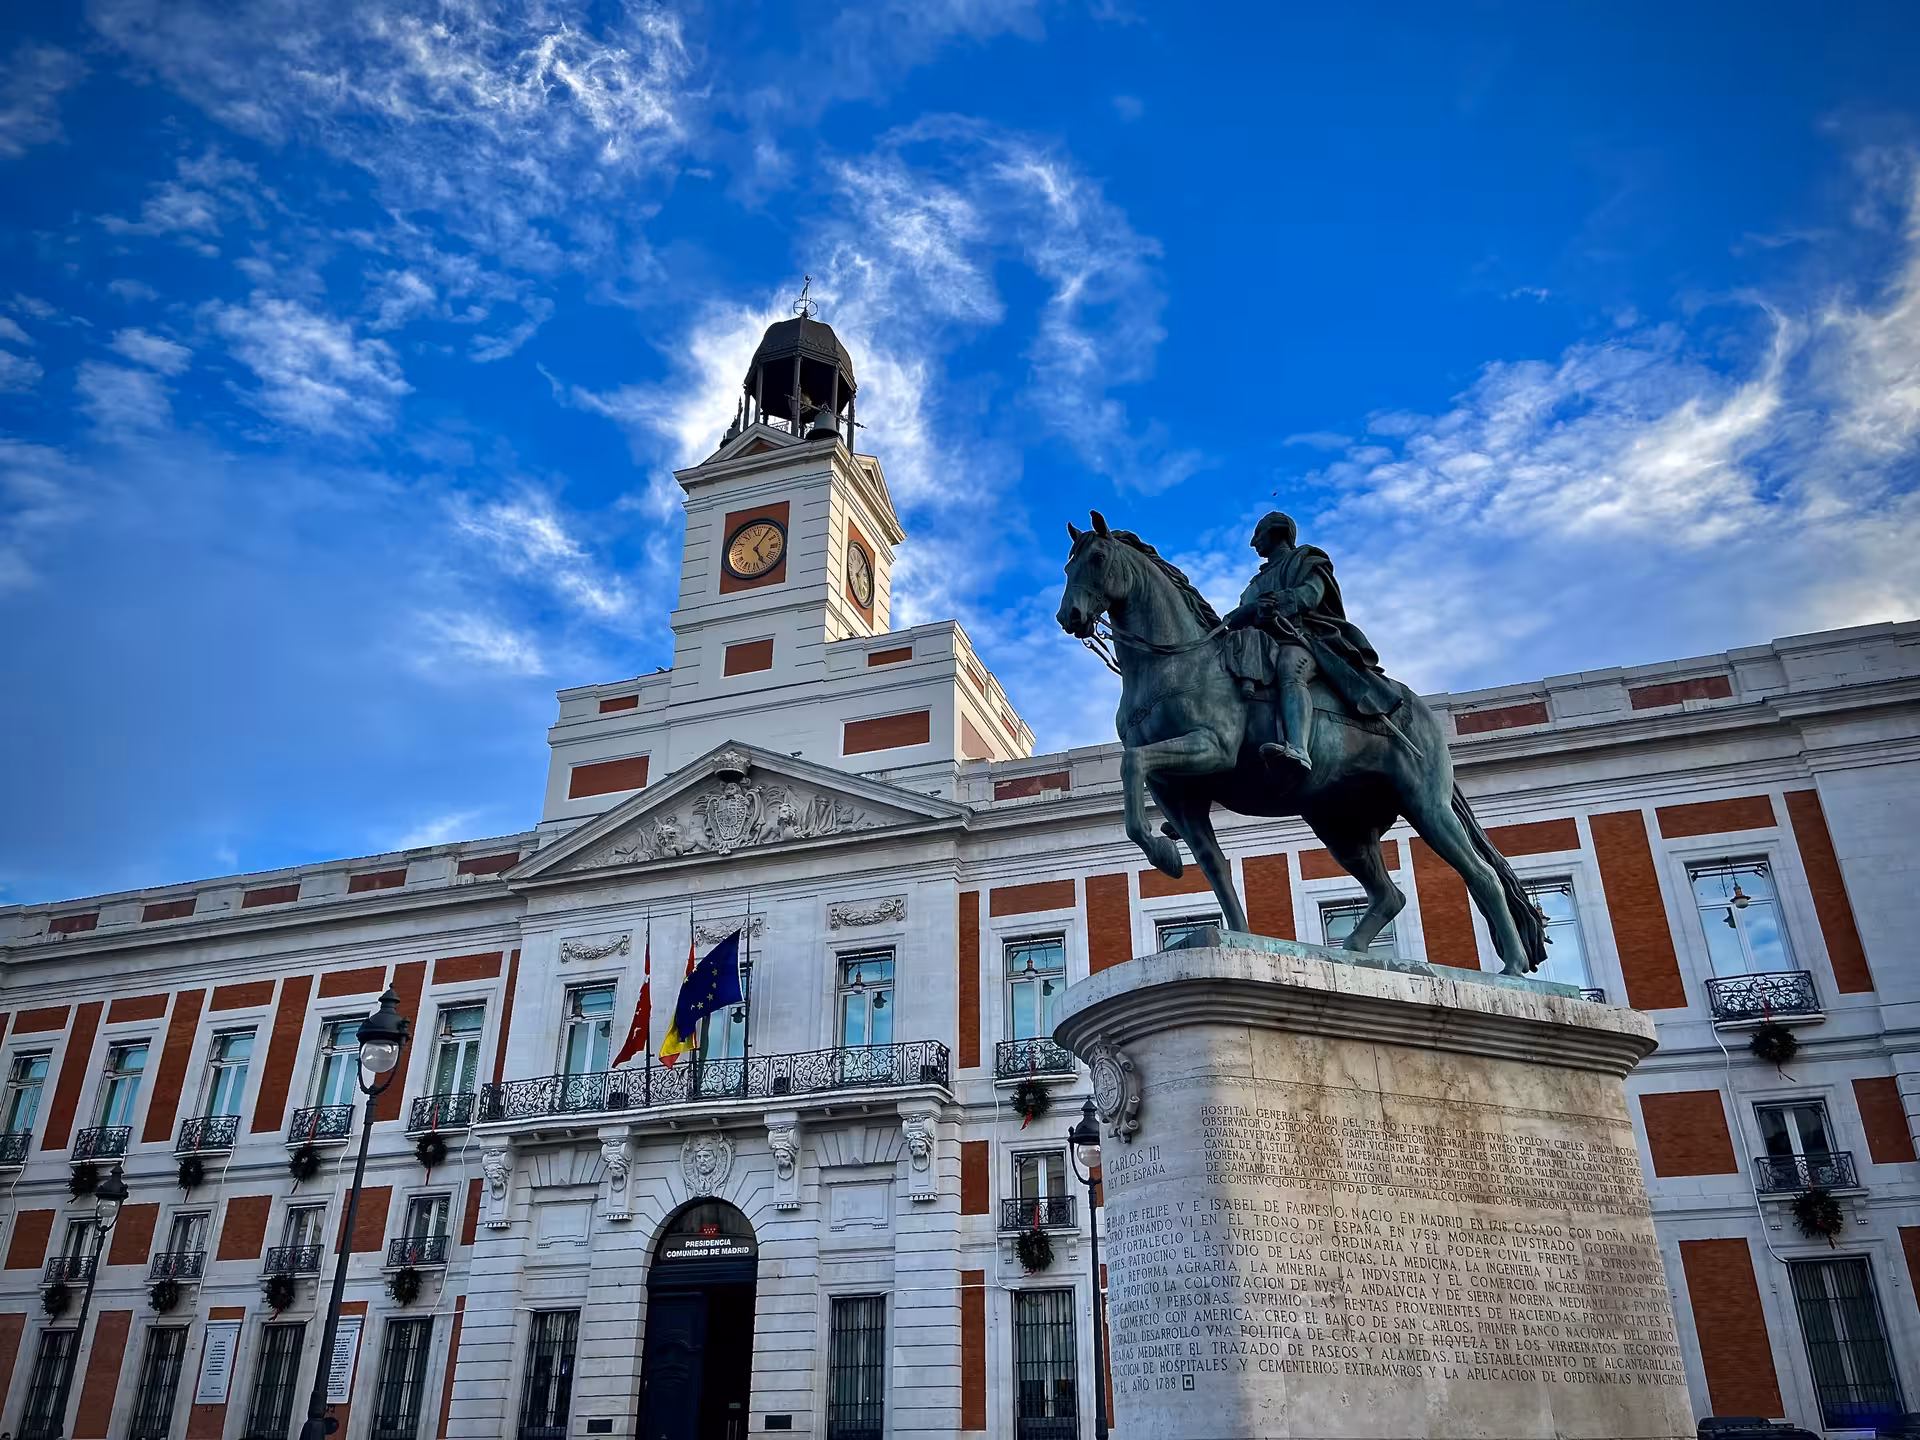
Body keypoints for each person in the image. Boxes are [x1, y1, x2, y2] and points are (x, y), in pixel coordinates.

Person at [1222, 511, 1398, 771]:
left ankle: (1298, 748)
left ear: (1277, 532)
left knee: (1289, 667)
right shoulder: (1255, 583)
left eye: (1258, 534)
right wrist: (1243, 614)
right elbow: (1239, 613)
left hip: (1304, 639)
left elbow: (1310, 595)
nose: (1253, 543)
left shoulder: (1307, 560)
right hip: (1259, 645)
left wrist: (1277, 603)